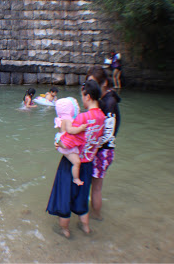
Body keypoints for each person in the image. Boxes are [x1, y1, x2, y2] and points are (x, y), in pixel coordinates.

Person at [46, 80, 105, 238]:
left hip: (71, 164)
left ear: (88, 96)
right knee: (82, 198)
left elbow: (66, 142)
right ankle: (86, 227)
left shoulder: (83, 118)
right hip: (88, 163)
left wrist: (57, 142)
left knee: (65, 197)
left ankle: (65, 230)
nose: (82, 100)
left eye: (83, 96)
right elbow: (99, 141)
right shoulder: (102, 117)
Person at [87, 66, 121, 220]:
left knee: (96, 189)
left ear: (104, 83)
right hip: (101, 150)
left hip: (103, 151)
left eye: (94, 84)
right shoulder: (104, 101)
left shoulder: (110, 103)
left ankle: (96, 216)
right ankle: (93, 214)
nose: (90, 89)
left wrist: (91, 145)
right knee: (94, 187)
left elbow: (108, 134)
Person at [54, 98, 87, 186]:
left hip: (61, 141)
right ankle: (76, 178)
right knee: (76, 162)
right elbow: (70, 130)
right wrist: (81, 128)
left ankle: (59, 144)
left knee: (74, 160)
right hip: (66, 144)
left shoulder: (60, 119)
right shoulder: (67, 120)